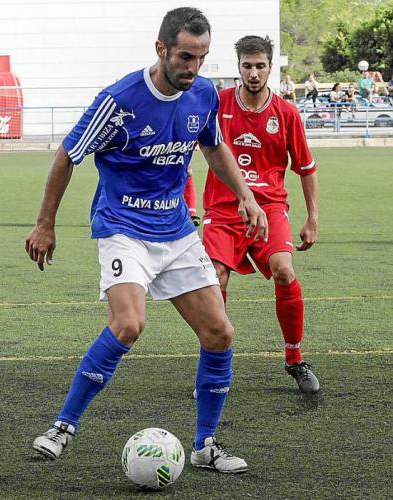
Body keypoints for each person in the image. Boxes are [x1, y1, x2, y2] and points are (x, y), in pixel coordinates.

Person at [26, 7, 267, 473]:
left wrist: (246, 196)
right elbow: (68, 155)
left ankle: (205, 446)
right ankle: (62, 427)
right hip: (123, 229)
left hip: (176, 231)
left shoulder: (203, 94)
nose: (193, 67)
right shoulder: (119, 101)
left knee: (220, 333)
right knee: (129, 324)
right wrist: (45, 224)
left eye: (201, 57)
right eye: (185, 56)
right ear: (161, 49)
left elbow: (213, 145)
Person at [202, 35, 320, 394]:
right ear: (238, 67)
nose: (253, 73)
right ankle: (215, 364)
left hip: (269, 208)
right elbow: (186, 148)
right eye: (247, 66)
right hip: (223, 209)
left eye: (260, 66)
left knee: (284, 270)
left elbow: (306, 168)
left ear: (270, 67)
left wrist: (312, 218)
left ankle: (295, 359)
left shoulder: (286, 114)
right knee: (215, 278)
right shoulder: (217, 104)